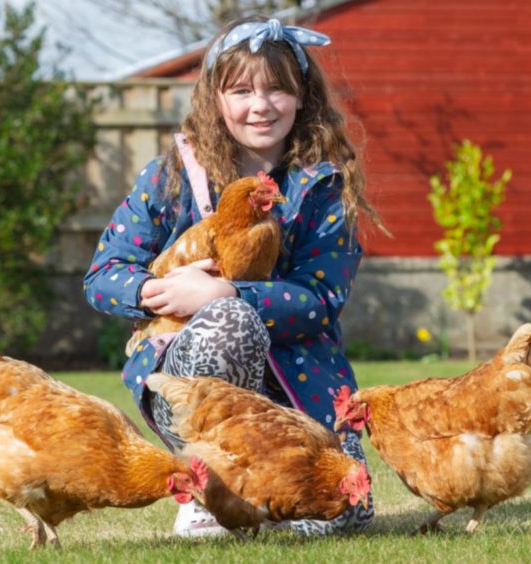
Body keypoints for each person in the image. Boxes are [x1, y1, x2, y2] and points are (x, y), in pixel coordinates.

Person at [83, 15, 388, 537]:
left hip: (298, 388)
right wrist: (154, 291)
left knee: (346, 508)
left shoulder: (322, 188)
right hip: (191, 371)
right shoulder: (171, 177)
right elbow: (102, 277)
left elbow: (320, 299)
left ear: (301, 97)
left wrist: (227, 289)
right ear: (215, 99)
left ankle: (263, 510)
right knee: (228, 322)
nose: (260, 105)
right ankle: (211, 491)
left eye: (276, 89)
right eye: (241, 89)